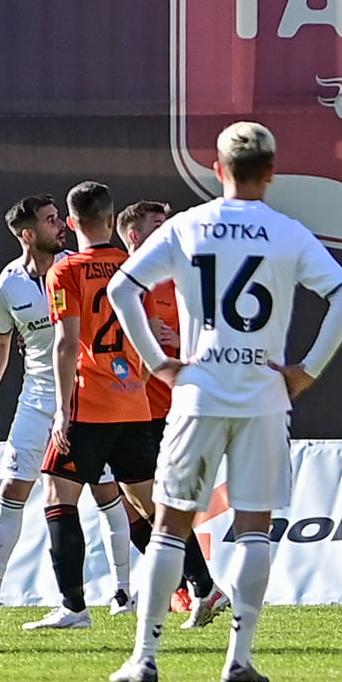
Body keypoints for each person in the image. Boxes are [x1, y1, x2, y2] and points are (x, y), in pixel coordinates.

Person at [106, 121, 342, 682]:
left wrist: (158, 361)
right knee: (252, 529)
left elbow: (122, 288)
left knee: (169, 526)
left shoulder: (188, 225)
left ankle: (145, 657)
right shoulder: (287, 231)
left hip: (199, 393)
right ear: (270, 173)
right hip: (264, 396)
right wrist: (308, 370)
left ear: (218, 169)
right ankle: (239, 658)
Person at [0, 196, 136, 614]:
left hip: (87, 395)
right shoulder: (6, 286)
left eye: (59, 218)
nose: (61, 226)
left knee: (106, 490)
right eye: (51, 221)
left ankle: (123, 591)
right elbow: (0, 340)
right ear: (28, 234)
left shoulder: (77, 267)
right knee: (13, 486)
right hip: (36, 399)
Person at [29, 183, 166, 629]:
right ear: (111, 221)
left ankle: (73, 607)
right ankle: (204, 586)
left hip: (90, 404)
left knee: (57, 493)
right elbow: (150, 338)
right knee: (151, 507)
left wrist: (62, 409)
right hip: (134, 403)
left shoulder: (65, 272)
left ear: (72, 223)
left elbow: (66, 345)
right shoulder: (136, 268)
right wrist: (137, 379)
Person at [117, 200, 224, 621]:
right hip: (121, 408)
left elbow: (212, 336)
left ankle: (197, 585)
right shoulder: (120, 281)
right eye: (157, 225)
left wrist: (174, 343)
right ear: (133, 236)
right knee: (128, 505)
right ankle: (183, 585)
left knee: (156, 502)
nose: (167, 233)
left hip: (163, 410)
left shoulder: (179, 281)